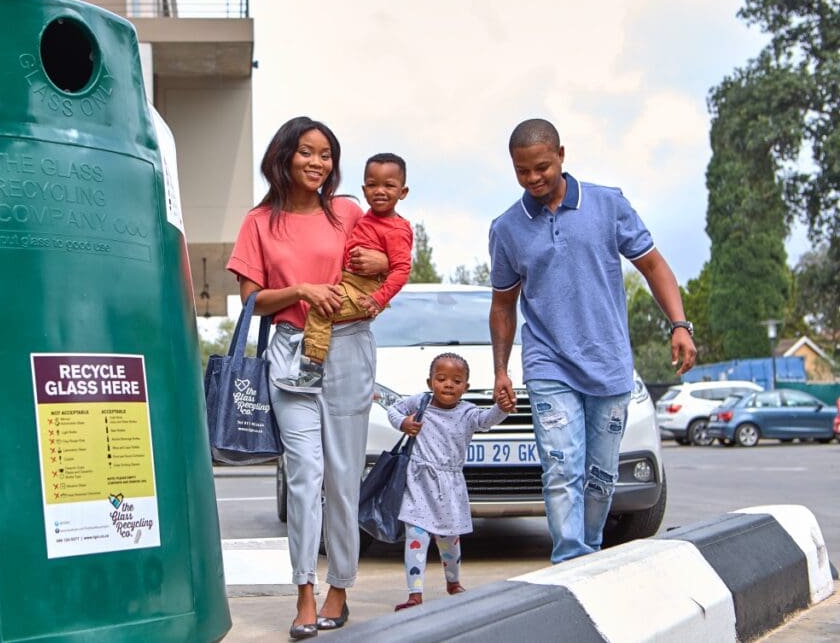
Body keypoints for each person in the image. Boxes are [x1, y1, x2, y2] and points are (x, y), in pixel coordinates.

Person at [488, 118, 697, 564]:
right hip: (549, 364)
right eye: (522, 171)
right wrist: (501, 368)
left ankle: (589, 553)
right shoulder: (507, 228)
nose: (533, 178)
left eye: (541, 167)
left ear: (562, 154)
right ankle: (570, 560)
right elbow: (503, 305)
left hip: (609, 363)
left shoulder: (608, 205)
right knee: (561, 467)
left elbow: (654, 266)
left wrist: (680, 324)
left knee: (600, 475)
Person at [226, 116, 389, 639]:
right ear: (284, 157)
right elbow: (251, 299)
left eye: (326, 155)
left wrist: (383, 260)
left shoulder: (347, 212)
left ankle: (338, 586)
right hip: (291, 354)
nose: (318, 163)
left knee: (343, 478)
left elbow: (382, 262)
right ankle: (302, 591)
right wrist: (299, 290)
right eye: (307, 152)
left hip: (348, 349)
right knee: (304, 477)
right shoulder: (258, 222)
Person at [275, 152, 413, 393]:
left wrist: (378, 299)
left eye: (389, 186)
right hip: (350, 283)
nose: (380, 191)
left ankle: (309, 373)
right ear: (364, 188)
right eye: (372, 185)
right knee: (324, 306)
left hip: (365, 290)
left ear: (403, 192)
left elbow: (402, 269)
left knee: (322, 309)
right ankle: (309, 349)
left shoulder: (397, 229)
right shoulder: (367, 216)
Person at [386, 352, 507, 611]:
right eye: (441, 379)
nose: (448, 385)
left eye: (456, 380)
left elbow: (487, 421)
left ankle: (453, 582)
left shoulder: (468, 413)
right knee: (416, 535)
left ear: (466, 386)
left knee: (449, 538)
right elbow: (393, 410)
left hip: (449, 486)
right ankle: (414, 593)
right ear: (430, 382)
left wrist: (502, 408)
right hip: (418, 481)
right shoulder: (420, 402)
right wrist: (404, 423)